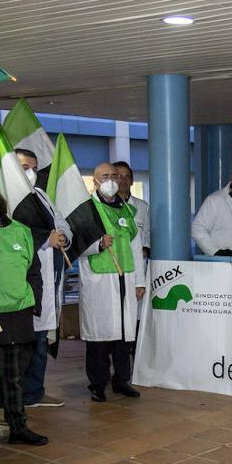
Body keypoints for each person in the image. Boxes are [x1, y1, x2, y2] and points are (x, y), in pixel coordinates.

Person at [0, 178, 49, 446]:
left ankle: (19, 427)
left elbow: (34, 271)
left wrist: (34, 303)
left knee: (15, 376)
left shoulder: (20, 231)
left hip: (18, 314)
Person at [75, 163, 145, 402]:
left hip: (125, 276)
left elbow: (136, 247)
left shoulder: (126, 209)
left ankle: (121, 380)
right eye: (105, 176)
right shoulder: (86, 210)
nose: (111, 179)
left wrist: (140, 280)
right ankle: (97, 383)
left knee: (124, 335)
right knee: (100, 336)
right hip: (100, 281)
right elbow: (74, 245)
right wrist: (97, 245)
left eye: (114, 175)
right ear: (94, 181)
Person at [12, 148, 71, 409]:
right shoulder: (7, 198)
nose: (31, 173)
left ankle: (35, 391)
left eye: (34, 168)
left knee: (41, 338)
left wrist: (62, 237)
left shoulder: (42, 196)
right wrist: (44, 239)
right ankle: (16, 397)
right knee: (22, 342)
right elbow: (6, 235)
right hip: (24, 281)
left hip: (49, 278)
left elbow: (62, 224)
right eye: (25, 166)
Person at [114, 160, 149, 357]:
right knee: (116, 319)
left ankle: (135, 360)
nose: (123, 180)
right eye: (118, 175)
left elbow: (149, 236)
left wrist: (145, 248)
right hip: (114, 268)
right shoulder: (104, 208)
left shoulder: (142, 207)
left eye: (127, 176)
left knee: (135, 318)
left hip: (137, 270)